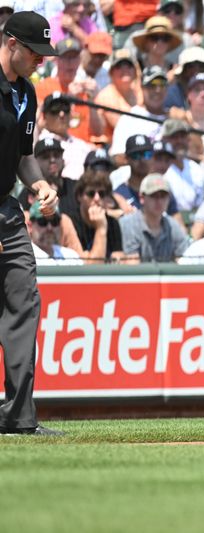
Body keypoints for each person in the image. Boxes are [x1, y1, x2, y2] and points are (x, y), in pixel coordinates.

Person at [0, 11, 63, 436]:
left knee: (24, 304)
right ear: (10, 45)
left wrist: (40, 184)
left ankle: (18, 418)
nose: (41, 60)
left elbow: (24, 154)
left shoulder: (27, 92)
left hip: (7, 212)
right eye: (34, 52)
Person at [119, 173, 190, 263]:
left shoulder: (173, 226)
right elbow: (132, 268)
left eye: (163, 196)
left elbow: (185, 261)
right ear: (142, 198)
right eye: (154, 196)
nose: (159, 201)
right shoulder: (129, 224)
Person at [28, 200, 82, 266]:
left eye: (54, 222)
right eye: (43, 222)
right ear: (30, 226)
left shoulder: (71, 257)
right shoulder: (24, 257)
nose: (50, 228)